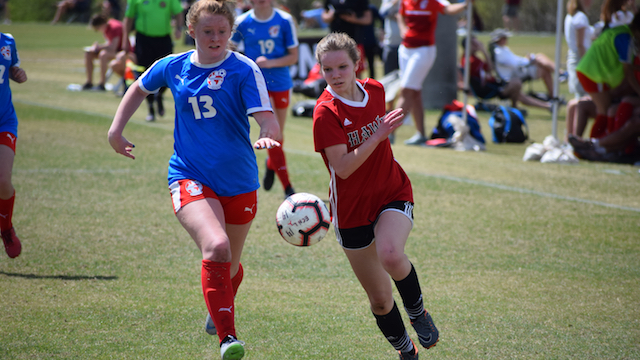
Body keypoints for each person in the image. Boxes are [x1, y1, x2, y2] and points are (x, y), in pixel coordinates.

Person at [107, 1, 281, 358]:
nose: (215, 38)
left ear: (231, 32)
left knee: (229, 263)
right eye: (207, 31)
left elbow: (269, 118)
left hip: (240, 181)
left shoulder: (243, 69)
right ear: (191, 31)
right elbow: (139, 87)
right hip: (189, 174)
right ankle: (228, 338)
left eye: (222, 31)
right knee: (216, 247)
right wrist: (116, 130)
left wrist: (266, 132)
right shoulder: (173, 66)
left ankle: (217, 302)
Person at [312, 32, 438, 360]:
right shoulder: (325, 113)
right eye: (328, 70)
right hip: (351, 211)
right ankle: (406, 350)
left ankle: (418, 313)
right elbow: (342, 168)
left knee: (392, 254)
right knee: (380, 300)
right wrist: (379, 133)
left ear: (357, 64)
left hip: (391, 191)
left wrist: (380, 132)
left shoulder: (377, 91)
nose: (336, 75)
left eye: (342, 67)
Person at [231, 0, 298, 198]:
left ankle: (272, 164)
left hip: (281, 83)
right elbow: (229, 49)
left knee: (279, 135)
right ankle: (288, 188)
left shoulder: (284, 20)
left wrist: (270, 62)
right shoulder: (241, 22)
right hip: (257, 85)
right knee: (273, 134)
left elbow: (293, 56)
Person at [396, 0, 468, 145]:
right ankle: (421, 134)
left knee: (406, 90)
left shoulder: (433, 1)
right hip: (405, 50)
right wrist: (402, 28)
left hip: (424, 50)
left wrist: (466, 4)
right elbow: (400, 15)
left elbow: (449, 9)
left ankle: (387, 133)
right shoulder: (406, 1)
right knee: (415, 92)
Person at [576, 12, 640, 139]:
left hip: (590, 71)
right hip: (593, 73)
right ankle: (596, 143)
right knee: (604, 110)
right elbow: (627, 70)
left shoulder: (621, 31)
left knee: (606, 109)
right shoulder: (625, 37)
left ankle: (597, 143)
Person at [122, 0, 183, 121]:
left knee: (168, 70)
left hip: (163, 39)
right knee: (145, 72)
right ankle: (150, 108)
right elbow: (128, 18)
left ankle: (159, 95)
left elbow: (179, 12)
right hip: (144, 39)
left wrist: (179, 28)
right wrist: (125, 39)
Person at [459, 36, 551, 111]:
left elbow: (490, 69)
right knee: (517, 83)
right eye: (474, 44)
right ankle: (515, 107)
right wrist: (483, 51)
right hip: (490, 90)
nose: (477, 45)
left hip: (493, 86)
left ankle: (547, 106)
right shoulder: (470, 60)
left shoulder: (473, 59)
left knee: (520, 95)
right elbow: (491, 69)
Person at [0, 32, 27, 259]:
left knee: (3, 180)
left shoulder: (7, 40)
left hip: (4, 120)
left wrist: (17, 73)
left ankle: (6, 228)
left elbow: (11, 70)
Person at [489, 28, 560, 101]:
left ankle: (555, 85)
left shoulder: (504, 49)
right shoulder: (499, 52)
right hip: (515, 74)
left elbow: (516, 59)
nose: (506, 40)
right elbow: (514, 64)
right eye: (504, 38)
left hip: (519, 71)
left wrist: (526, 59)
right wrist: (528, 61)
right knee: (541, 64)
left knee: (540, 59)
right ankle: (559, 74)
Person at [322, 0, 372, 76]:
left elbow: (368, 19)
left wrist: (353, 19)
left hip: (355, 42)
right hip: (335, 43)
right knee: (336, 70)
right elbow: (324, 16)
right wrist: (331, 15)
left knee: (355, 71)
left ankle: (355, 88)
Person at [83, 14, 126, 91]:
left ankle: (102, 84)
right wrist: (97, 47)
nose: (97, 31)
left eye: (97, 29)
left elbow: (113, 48)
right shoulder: (106, 28)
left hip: (122, 53)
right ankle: (89, 82)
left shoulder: (114, 27)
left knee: (103, 55)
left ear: (102, 25)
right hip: (115, 52)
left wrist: (99, 47)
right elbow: (109, 44)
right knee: (88, 53)